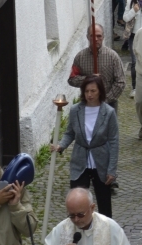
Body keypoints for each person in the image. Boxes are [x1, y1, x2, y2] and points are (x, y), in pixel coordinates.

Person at [51, 75, 119, 218]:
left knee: (104, 203)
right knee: (77, 199)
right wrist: (60, 146)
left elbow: (113, 141)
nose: (89, 94)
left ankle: (106, 233)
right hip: (80, 159)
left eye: (93, 91)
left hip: (101, 161)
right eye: (87, 91)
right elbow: (70, 133)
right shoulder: (76, 110)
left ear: (100, 91)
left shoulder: (108, 112)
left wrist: (111, 169)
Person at [68, 24, 126, 111]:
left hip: (108, 105)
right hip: (87, 105)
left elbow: (120, 82)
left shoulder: (113, 57)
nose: (95, 39)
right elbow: (72, 79)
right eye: (92, 36)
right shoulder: (80, 57)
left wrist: (105, 100)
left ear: (103, 37)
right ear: (87, 37)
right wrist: (89, 79)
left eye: (98, 36)